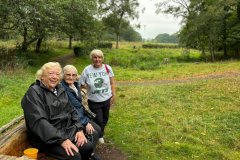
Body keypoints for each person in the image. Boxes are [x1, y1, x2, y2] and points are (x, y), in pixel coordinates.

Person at [21, 62, 93, 160]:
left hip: (65, 131)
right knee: (74, 156)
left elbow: (72, 111)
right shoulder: (33, 93)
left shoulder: (59, 89)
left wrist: (79, 129)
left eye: (57, 74)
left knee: (87, 147)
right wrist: (62, 140)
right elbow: (39, 122)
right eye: (51, 73)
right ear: (42, 76)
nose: (54, 77)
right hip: (46, 138)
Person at [61, 65, 102, 160]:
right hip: (72, 118)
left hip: (81, 115)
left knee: (98, 129)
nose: (71, 77)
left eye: (73, 75)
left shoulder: (75, 85)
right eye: (68, 75)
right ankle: (88, 155)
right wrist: (85, 122)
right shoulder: (62, 89)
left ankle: (92, 152)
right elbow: (71, 108)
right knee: (93, 133)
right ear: (63, 75)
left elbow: (79, 104)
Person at [79, 49, 116, 144]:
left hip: (106, 98)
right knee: (98, 120)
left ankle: (99, 134)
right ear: (92, 58)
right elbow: (81, 85)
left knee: (105, 118)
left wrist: (113, 95)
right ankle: (97, 135)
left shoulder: (108, 68)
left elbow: (112, 83)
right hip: (94, 101)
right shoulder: (87, 70)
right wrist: (76, 97)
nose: (97, 59)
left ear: (102, 58)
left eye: (99, 57)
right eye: (95, 57)